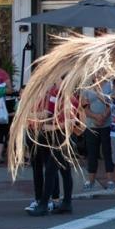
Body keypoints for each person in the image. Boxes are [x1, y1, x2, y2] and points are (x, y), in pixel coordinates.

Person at [26, 81, 78, 216]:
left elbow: (69, 122)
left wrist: (48, 127)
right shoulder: (56, 95)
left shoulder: (70, 100)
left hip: (63, 138)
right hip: (55, 137)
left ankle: (44, 204)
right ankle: (66, 203)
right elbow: (48, 113)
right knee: (65, 171)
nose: (55, 83)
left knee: (50, 170)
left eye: (58, 80)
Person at [80, 79, 114, 190]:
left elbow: (111, 104)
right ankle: (91, 181)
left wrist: (103, 116)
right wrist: (96, 117)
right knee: (92, 153)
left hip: (107, 124)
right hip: (91, 126)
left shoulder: (109, 85)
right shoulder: (86, 86)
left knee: (107, 152)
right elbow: (85, 107)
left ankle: (110, 180)